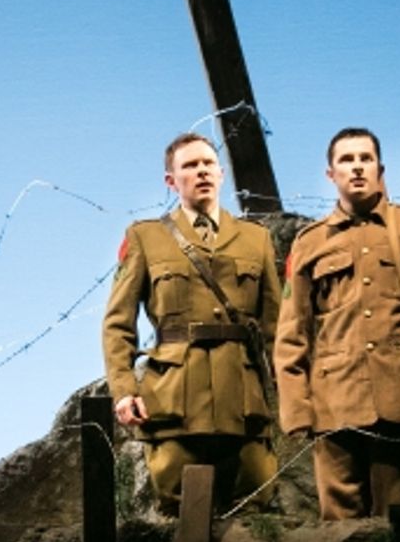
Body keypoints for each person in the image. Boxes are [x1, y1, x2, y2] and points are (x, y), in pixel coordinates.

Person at [275, 127, 400, 519]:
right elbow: (292, 331)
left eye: (365, 158)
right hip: (333, 404)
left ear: (380, 168)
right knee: (338, 532)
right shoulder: (309, 242)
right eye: (346, 160)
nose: (357, 167)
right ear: (331, 174)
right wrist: (297, 408)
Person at [101, 132, 281, 516]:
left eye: (207, 164)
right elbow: (118, 323)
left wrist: (290, 396)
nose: (201, 172)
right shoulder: (146, 237)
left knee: (254, 512)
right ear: (171, 180)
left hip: (242, 401)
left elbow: (275, 329)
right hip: (173, 402)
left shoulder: (256, 239)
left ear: (221, 173)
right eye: (189, 166)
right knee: (182, 518)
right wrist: (123, 390)